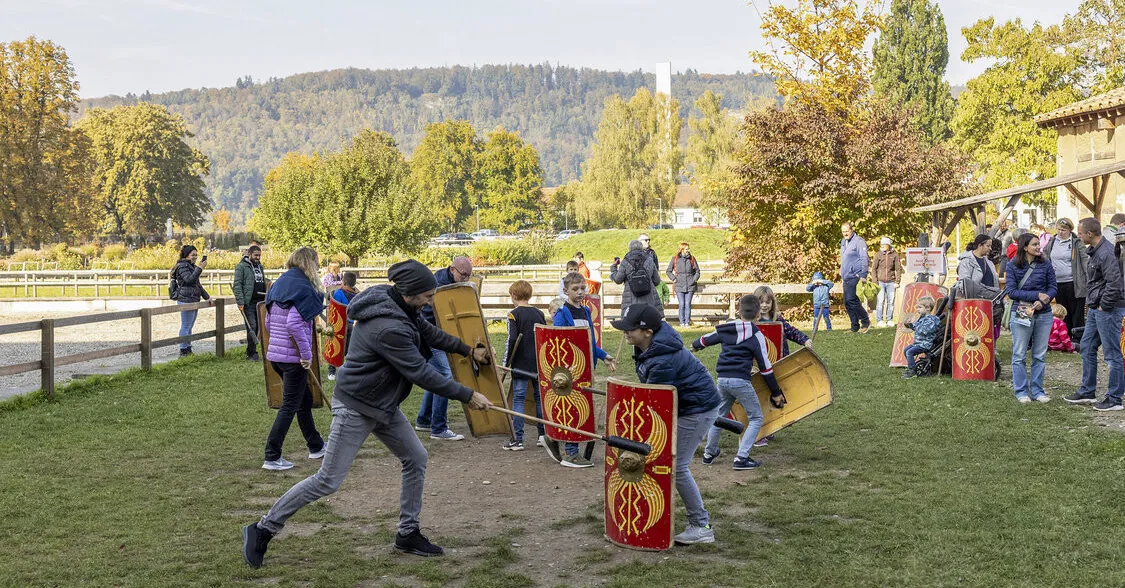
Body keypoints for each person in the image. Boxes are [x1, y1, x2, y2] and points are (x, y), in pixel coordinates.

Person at [243, 260, 495, 567]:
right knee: (328, 480)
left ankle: (408, 532)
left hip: (383, 403)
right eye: (428, 296)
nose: (431, 301)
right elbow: (420, 373)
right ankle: (262, 528)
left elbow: (430, 333)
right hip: (356, 405)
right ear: (410, 293)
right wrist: (468, 395)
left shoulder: (400, 306)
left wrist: (468, 350)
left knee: (416, 457)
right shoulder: (388, 327)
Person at [611, 304, 721, 545]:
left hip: (696, 409)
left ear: (647, 331)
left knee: (676, 465)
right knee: (661, 459)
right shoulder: (652, 347)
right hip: (687, 405)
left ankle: (701, 525)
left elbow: (656, 403)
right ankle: (653, 511)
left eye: (630, 329)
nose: (625, 332)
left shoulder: (661, 359)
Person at [692, 295, 785, 471]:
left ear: (738, 311)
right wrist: (776, 391)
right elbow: (765, 367)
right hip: (741, 381)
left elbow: (706, 339)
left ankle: (709, 453)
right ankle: (741, 457)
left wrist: (696, 345)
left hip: (722, 380)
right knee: (756, 418)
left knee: (718, 417)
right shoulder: (757, 335)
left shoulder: (726, 328)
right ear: (758, 314)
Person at [260, 247, 327, 471]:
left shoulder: (279, 284)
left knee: (303, 400)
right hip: (293, 359)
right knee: (289, 405)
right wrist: (306, 355)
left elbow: (268, 323)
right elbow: (293, 324)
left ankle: (315, 445)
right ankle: (272, 455)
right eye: (316, 262)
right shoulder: (302, 288)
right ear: (309, 263)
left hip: (277, 356)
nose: (318, 267)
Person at [553, 272, 616, 467]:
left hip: (587, 368)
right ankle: (570, 453)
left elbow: (589, 342)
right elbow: (558, 341)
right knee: (572, 409)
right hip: (569, 371)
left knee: (583, 409)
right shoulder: (562, 313)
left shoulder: (586, 312)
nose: (580, 292)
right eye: (575, 289)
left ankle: (566, 444)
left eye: (583, 288)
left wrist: (604, 356)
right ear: (566, 291)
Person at [1065, 218, 1125, 411]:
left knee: (1112, 354)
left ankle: (1115, 398)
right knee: (1087, 345)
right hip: (1096, 307)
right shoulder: (1097, 250)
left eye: (1081, 233)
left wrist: (1103, 306)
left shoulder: (1106, 252)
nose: (1079, 236)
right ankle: (1087, 391)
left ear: (1090, 234)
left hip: (1108, 308)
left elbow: (1114, 283)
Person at [415, 256, 474, 440]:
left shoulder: (449, 281)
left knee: (437, 377)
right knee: (446, 377)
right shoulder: (440, 286)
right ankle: (439, 428)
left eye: (468, 276)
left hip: (435, 336)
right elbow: (434, 315)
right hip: (431, 336)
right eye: (463, 275)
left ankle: (424, 420)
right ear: (452, 269)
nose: (465, 279)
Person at [1004, 233, 1058, 403]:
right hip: (1021, 310)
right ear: (1025, 247)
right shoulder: (1012, 265)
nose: (1038, 247)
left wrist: (1045, 299)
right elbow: (1011, 291)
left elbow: (1053, 287)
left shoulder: (1046, 263)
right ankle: (1021, 391)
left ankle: (1037, 390)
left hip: (1043, 312)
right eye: (1034, 244)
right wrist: (1037, 295)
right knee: (1019, 353)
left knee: (1039, 354)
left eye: (1038, 244)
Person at [502, 280, 547, 451]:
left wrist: (506, 363)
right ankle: (542, 435)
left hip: (520, 363)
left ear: (513, 295)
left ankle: (517, 439)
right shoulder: (539, 313)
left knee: (519, 398)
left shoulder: (513, 315)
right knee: (538, 398)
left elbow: (511, 340)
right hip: (537, 362)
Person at [1042, 218, 1088, 339]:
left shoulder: (1076, 243)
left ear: (1069, 230)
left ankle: (1077, 336)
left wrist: (1088, 279)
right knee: (1062, 310)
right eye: (1058, 229)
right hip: (1057, 282)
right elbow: (1045, 256)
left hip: (1074, 282)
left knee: (1076, 311)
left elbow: (1085, 261)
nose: (1061, 232)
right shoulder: (1052, 242)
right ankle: (1064, 335)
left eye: (1064, 230)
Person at [172, 244, 210, 357]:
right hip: (186, 299)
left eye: (196, 255)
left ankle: (187, 348)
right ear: (186, 255)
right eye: (193, 255)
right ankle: (183, 349)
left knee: (189, 326)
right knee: (186, 325)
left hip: (193, 298)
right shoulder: (182, 266)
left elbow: (197, 284)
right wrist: (200, 268)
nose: (195, 257)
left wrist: (207, 297)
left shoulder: (191, 266)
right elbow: (189, 280)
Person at [755, 285, 812, 356]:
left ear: (772, 303)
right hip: (759, 361)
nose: (764, 305)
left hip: (779, 359)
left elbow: (791, 332)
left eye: (767, 302)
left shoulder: (777, 319)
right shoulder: (751, 321)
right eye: (761, 302)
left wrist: (805, 340)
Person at [611, 239, 663, 317]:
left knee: (633, 323)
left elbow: (618, 280)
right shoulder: (649, 260)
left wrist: (613, 268)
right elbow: (657, 280)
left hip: (631, 298)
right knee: (648, 322)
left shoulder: (625, 261)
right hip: (648, 298)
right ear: (641, 248)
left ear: (629, 248)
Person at [233, 244, 267, 361]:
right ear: (249, 254)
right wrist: (240, 301)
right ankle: (251, 353)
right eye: (256, 255)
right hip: (249, 302)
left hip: (261, 302)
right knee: (251, 326)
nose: (258, 257)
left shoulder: (260, 267)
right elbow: (237, 285)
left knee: (259, 327)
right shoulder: (241, 267)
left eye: (259, 255)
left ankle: (255, 350)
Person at [326, 272, 361, 381]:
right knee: (349, 350)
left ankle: (332, 372)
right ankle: (346, 371)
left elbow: (334, 309)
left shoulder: (338, 293)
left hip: (340, 325)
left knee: (335, 348)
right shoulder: (358, 295)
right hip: (352, 325)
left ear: (344, 282)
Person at [839, 222, 871, 333]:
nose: (845, 234)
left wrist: (863, 275)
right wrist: (842, 273)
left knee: (852, 299)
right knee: (847, 302)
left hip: (855, 275)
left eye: (847, 231)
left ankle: (866, 322)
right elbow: (844, 259)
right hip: (846, 276)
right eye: (843, 232)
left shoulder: (859, 242)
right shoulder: (843, 242)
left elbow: (864, 258)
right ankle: (854, 326)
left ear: (852, 230)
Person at [901, 296, 940, 378]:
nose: (917, 309)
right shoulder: (922, 318)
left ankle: (912, 371)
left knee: (909, 352)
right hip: (918, 343)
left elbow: (924, 330)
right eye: (917, 307)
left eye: (920, 307)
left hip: (925, 344)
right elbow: (916, 325)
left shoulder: (931, 320)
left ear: (928, 308)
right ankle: (912, 367)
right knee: (906, 350)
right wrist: (909, 324)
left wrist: (914, 326)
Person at [871, 237, 903, 328]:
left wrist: (897, 281)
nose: (883, 246)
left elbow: (898, 269)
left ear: (889, 245)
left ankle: (889, 320)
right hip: (880, 282)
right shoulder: (878, 255)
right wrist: (875, 282)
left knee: (891, 302)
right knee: (880, 301)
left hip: (891, 282)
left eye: (885, 244)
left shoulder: (895, 255)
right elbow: (874, 269)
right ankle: (879, 320)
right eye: (882, 244)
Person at [667, 242, 701, 326]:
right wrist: (674, 278)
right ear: (682, 249)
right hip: (679, 285)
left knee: (687, 304)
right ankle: (682, 322)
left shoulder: (692, 259)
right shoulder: (675, 259)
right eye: (686, 249)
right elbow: (668, 271)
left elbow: (697, 271)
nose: (688, 250)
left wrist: (694, 280)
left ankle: (687, 322)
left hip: (690, 285)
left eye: (688, 249)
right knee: (682, 304)